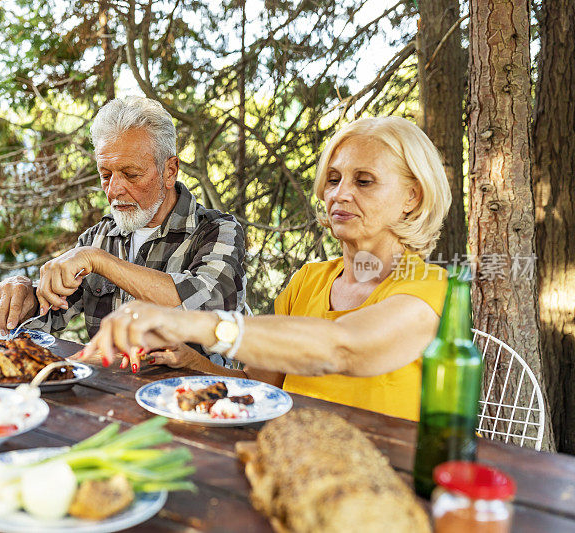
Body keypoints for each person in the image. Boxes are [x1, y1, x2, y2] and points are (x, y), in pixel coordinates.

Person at [76, 116, 452, 421]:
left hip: (377, 480)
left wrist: (188, 322)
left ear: (412, 196)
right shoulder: (308, 281)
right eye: (333, 179)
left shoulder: (427, 285)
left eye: (364, 181)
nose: (339, 194)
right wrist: (194, 361)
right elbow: (259, 388)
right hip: (293, 459)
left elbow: (343, 347)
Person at [0, 97, 246, 368]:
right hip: (107, 394)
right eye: (106, 174)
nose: (113, 190)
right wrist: (24, 296)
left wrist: (100, 261)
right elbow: (47, 317)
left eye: (131, 174)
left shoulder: (218, 231)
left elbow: (209, 306)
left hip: (195, 400)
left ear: (169, 172)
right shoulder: (98, 238)